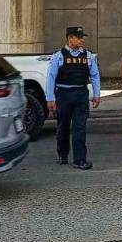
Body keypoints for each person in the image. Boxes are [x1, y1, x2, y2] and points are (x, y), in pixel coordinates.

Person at [45, 26, 101, 169]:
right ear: (70, 38)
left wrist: (96, 94)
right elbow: (51, 78)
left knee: (79, 128)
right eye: (79, 37)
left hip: (81, 95)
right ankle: (63, 155)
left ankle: (80, 159)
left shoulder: (88, 56)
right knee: (63, 127)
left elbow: (94, 75)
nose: (82, 40)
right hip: (63, 95)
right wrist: (50, 98)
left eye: (82, 37)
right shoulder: (58, 56)